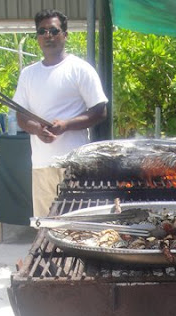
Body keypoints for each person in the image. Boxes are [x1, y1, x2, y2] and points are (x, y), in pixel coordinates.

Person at [13, 9, 108, 218]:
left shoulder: (80, 69)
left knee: (75, 226)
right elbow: (21, 115)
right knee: (45, 227)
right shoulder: (28, 74)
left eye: (54, 30)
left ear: (65, 34)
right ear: (37, 37)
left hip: (73, 165)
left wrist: (66, 125)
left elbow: (100, 112)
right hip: (41, 166)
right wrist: (36, 129)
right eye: (43, 31)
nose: (48, 36)